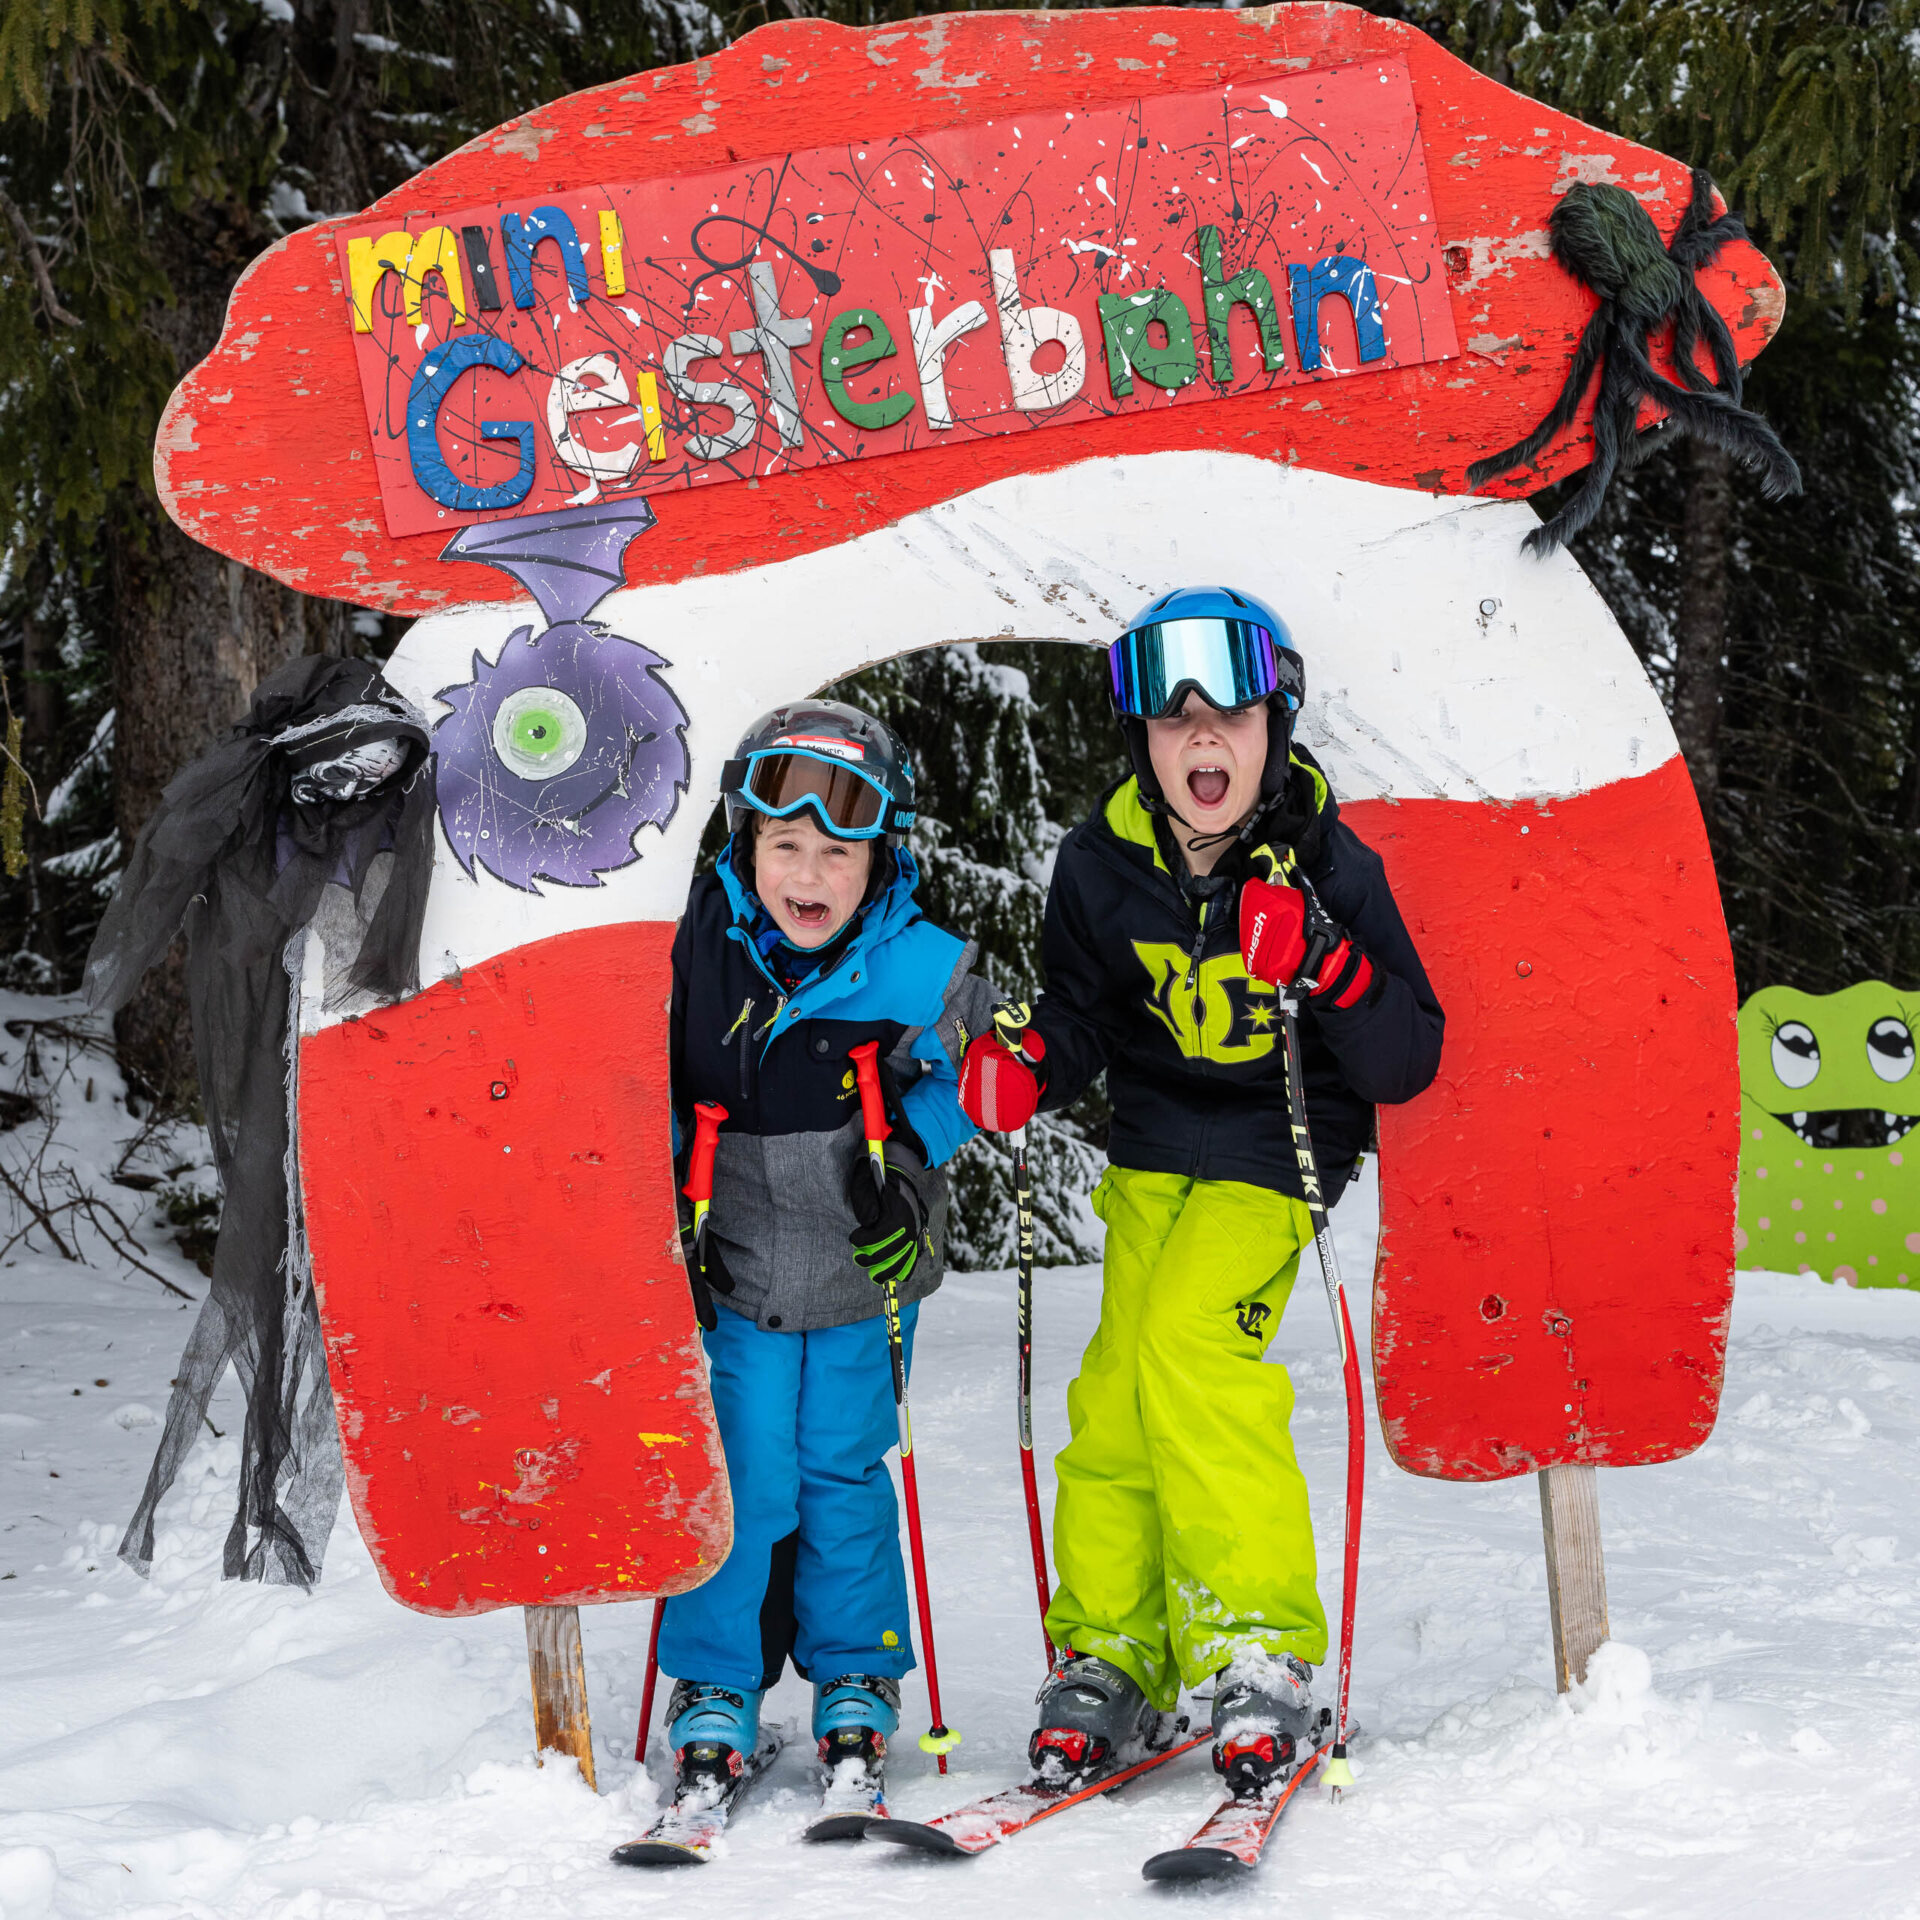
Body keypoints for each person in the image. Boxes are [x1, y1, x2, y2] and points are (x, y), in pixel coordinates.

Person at [958, 586, 1444, 1799]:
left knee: (1190, 1353)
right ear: (1142, 744)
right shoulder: (1100, 862)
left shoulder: (1330, 859)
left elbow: (1408, 1055)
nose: (1202, 741)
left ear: (1272, 726)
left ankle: (1257, 1644)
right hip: (1153, 1148)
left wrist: (1325, 960)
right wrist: (1029, 1060)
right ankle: (1115, 1649)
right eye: (1174, 723)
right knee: (1117, 1383)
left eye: (1229, 713)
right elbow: (1079, 1015)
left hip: (1277, 1151)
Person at [658, 698, 994, 1813]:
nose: (808, 872)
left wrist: (909, 1174)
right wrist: (656, 1205)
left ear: (877, 858)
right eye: (783, 845)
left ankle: (857, 1672)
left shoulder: (914, 966)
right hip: (739, 1268)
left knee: (843, 1476)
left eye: (836, 851)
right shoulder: (692, 948)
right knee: (742, 1478)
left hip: (859, 1271)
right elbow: (627, 1076)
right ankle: (715, 1684)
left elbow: (976, 1074)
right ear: (744, 844)